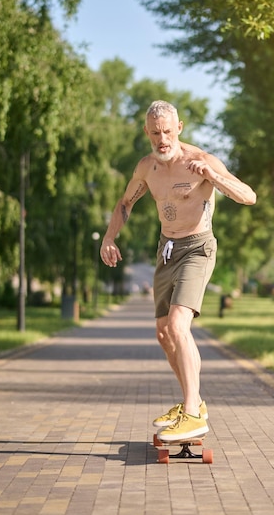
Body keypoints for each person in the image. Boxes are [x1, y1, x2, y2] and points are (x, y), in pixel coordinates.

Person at [100, 100, 256, 442]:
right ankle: (195, 403)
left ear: (179, 128)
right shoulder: (147, 168)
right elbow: (125, 202)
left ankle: (190, 413)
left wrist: (214, 177)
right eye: (155, 133)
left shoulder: (201, 162)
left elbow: (249, 196)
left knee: (177, 324)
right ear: (147, 133)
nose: (162, 139)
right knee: (162, 332)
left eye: (168, 131)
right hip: (166, 251)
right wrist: (109, 237)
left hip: (198, 247)